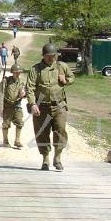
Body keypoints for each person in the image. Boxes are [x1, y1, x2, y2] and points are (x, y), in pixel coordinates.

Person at [26, 42, 75, 171]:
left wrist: (66, 80)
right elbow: (29, 88)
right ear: (43, 56)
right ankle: (45, 159)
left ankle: (57, 158)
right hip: (41, 107)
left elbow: (72, 77)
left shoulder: (62, 67)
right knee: (42, 133)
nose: (50, 58)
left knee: (60, 131)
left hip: (59, 106)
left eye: (52, 56)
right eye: (48, 56)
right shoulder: (35, 69)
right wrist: (32, 104)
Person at [0, 63, 26, 148]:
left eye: (19, 72)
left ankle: (17, 141)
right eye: (16, 72)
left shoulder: (21, 82)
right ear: (12, 72)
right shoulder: (5, 81)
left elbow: (24, 94)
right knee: (6, 124)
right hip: (7, 106)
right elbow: (1, 94)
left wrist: (23, 95)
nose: (18, 74)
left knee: (20, 122)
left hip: (17, 105)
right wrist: (1, 108)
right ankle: (5, 141)